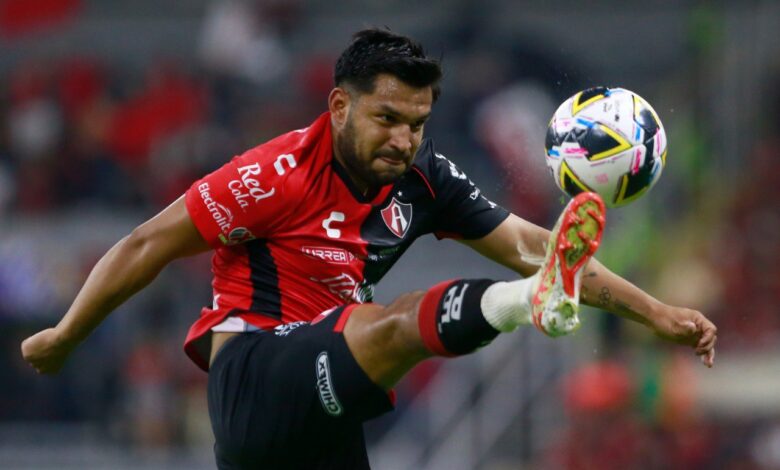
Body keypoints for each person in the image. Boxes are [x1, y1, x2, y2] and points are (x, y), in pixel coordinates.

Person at [21, 29, 717, 469]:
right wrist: (64, 334)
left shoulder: (423, 181)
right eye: (387, 119)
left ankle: (528, 299)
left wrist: (654, 312)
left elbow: (539, 243)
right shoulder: (274, 174)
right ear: (339, 108)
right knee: (385, 320)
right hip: (256, 378)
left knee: (373, 326)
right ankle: (523, 305)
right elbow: (147, 243)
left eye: (416, 124)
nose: (402, 140)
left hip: (331, 412)